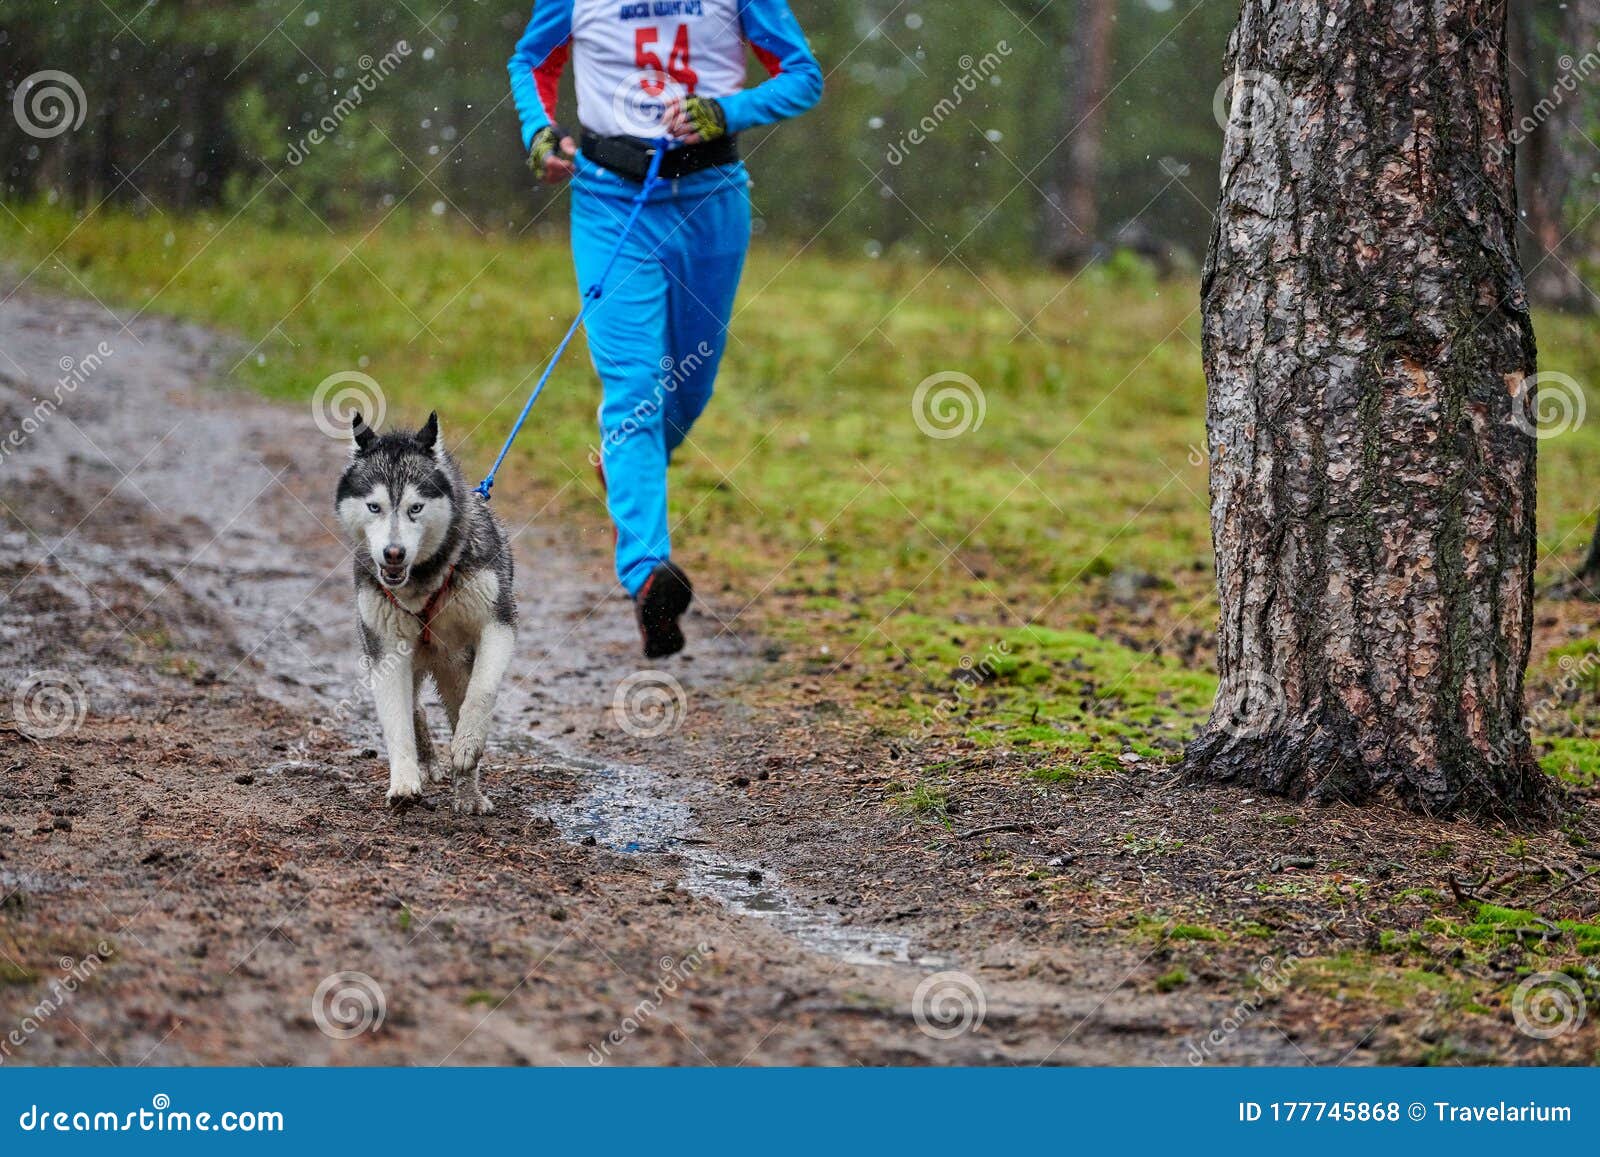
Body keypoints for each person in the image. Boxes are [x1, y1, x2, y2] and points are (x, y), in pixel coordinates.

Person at [508, 1, 822, 658]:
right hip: (608, 199)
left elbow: (803, 77)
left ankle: (625, 467)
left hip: (711, 199)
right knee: (634, 386)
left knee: (687, 389)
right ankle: (648, 573)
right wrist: (539, 132)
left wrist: (724, 111)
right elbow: (531, 59)